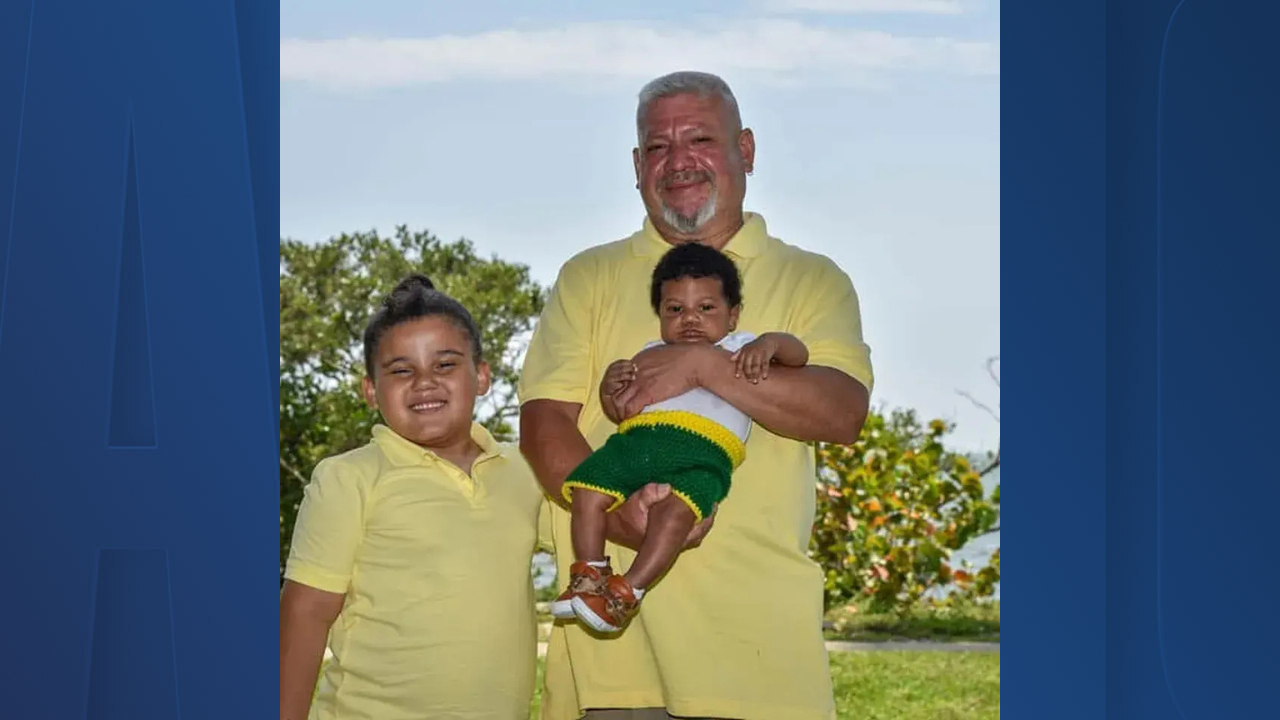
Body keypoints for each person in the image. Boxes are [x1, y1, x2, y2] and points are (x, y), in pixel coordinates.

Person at [519, 70, 874, 720]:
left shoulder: (813, 280)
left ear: (747, 150)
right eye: (658, 147)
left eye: (701, 139)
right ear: (637, 167)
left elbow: (843, 413)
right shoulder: (587, 276)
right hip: (610, 672)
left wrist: (702, 366)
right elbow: (543, 425)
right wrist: (619, 519)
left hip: (761, 658)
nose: (678, 161)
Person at [280, 274, 547, 720]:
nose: (425, 382)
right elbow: (305, 614)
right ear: (370, 390)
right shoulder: (347, 478)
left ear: (482, 376)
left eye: (445, 365)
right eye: (402, 370)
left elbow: (593, 529)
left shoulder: (527, 470)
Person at [555, 242, 810, 634]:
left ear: (732, 315)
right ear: (659, 315)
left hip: (703, 456)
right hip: (637, 444)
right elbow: (622, 410)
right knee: (586, 488)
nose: (690, 318)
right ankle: (589, 575)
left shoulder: (740, 348)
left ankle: (628, 591)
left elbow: (800, 355)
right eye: (675, 309)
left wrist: (771, 343)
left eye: (706, 308)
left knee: (676, 514)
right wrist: (610, 389)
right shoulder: (650, 353)